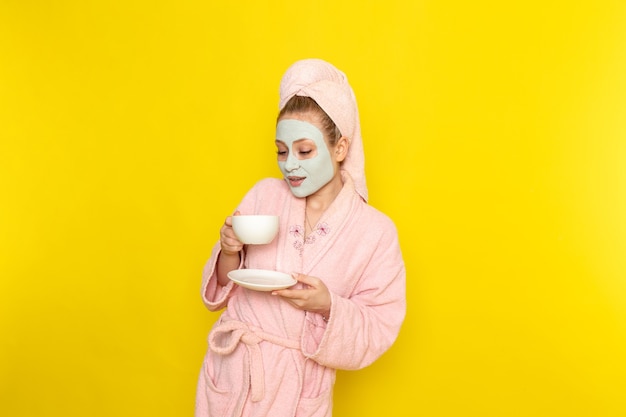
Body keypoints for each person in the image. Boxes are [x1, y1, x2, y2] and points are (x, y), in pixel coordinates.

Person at [195, 58, 406, 417]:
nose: (290, 164)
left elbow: (380, 324)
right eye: (281, 151)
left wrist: (328, 306)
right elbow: (219, 293)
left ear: (340, 149)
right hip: (234, 376)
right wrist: (229, 250)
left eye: (304, 151)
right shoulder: (264, 195)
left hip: (298, 392)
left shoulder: (376, 232)